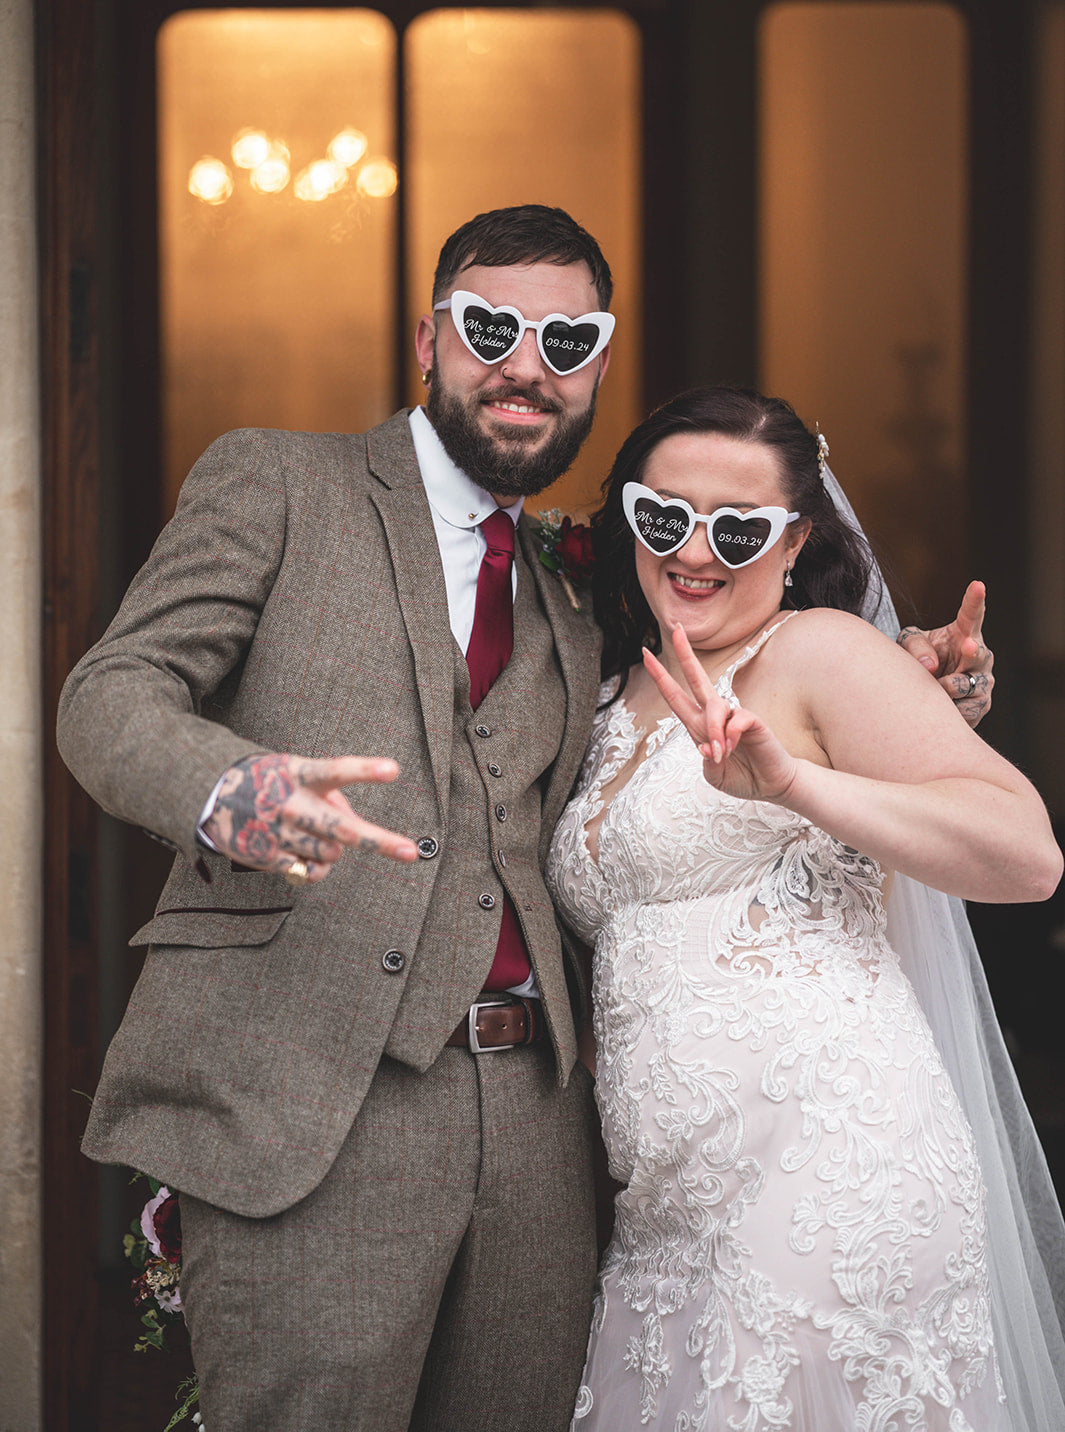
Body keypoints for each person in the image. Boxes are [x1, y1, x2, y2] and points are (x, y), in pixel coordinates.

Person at [57, 209, 992, 1432]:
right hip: (316, 1102)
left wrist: (914, 677)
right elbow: (110, 692)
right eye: (490, 327)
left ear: (599, 365)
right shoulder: (280, 481)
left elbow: (749, 655)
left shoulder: (586, 581)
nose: (525, 363)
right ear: (429, 341)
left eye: (566, 338)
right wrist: (226, 789)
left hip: (544, 1135)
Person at [545, 385, 1065, 1431]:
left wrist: (795, 785)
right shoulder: (605, 693)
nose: (695, 551)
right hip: (667, 1206)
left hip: (829, 1172)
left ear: (793, 545)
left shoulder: (820, 650)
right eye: (664, 517)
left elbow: (1026, 853)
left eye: (737, 528)